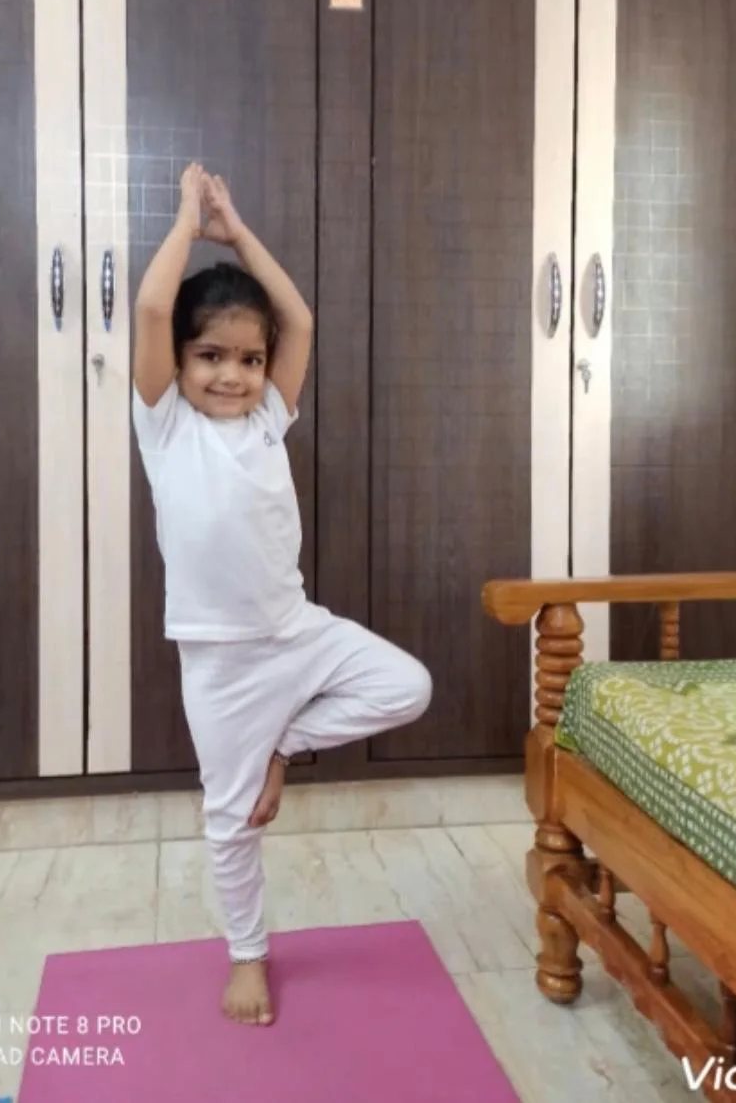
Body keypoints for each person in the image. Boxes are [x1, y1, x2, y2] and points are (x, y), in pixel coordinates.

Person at [131, 163, 433, 1027]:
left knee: (407, 686)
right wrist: (187, 221)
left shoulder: (270, 416)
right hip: (221, 664)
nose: (232, 375)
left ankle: (286, 749)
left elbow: (298, 318)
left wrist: (238, 230)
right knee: (231, 824)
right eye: (210, 356)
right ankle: (247, 954)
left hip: (296, 632)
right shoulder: (165, 424)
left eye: (249, 360)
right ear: (178, 360)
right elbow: (151, 307)